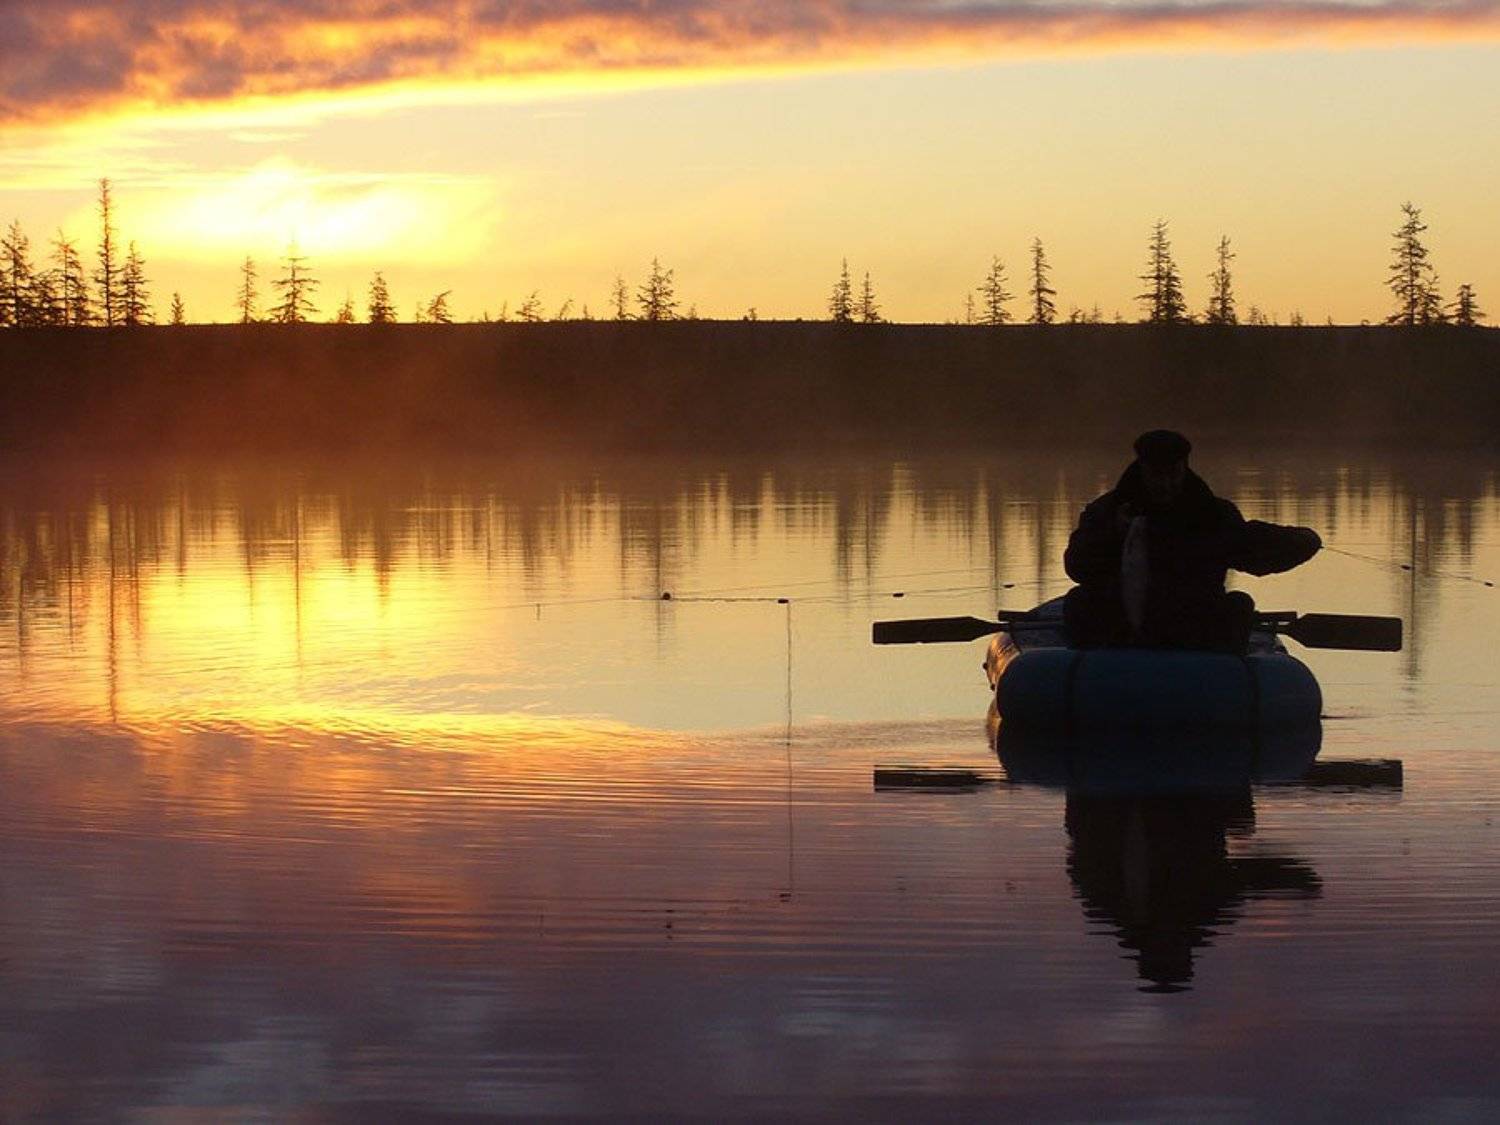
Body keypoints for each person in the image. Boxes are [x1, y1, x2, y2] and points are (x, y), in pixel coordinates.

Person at [1063, 430, 1321, 653]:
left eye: (1173, 474)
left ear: (1185, 467)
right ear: (1142, 469)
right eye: (1156, 475)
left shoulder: (1213, 514)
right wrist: (1113, 533)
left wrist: (1305, 541)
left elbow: (1253, 549)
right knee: (1078, 601)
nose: (1165, 484)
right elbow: (1077, 567)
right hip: (1121, 627)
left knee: (1239, 605)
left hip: (1192, 627)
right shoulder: (1107, 512)